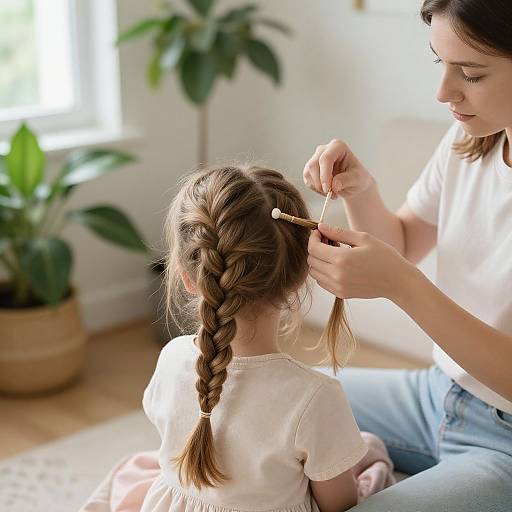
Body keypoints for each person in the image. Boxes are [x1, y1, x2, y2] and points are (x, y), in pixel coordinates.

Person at [78, 165, 397, 512]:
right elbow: (340, 506)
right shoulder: (316, 399)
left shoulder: (172, 357)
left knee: (136, 469)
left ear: (188, 278)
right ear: (300, 276)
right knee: (371, 453)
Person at [305, 1, 512, 510]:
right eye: (440, 63)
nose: (443, 92)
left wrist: (401, 286)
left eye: (471, 73)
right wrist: (360, 189)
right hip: (433, 394)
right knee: (259, 401)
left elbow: (400, 271)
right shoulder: (471, 140)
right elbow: (401, 245)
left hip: (504, 443)